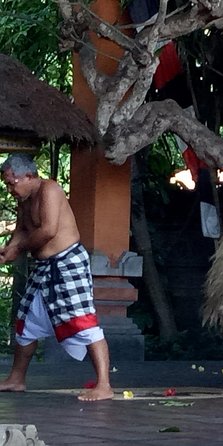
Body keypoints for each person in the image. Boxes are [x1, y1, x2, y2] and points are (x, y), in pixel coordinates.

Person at [0, 154, 113, 401]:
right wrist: (10, 248)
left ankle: (104, 385)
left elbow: (48, 230)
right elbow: (22, 230)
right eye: (7, 184)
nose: (10, 189)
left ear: (29, 175)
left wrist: (18, 250)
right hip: (43, 267)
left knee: (83, 321)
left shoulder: (50, 189)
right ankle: (17, 379)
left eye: (12, 182)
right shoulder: (24, 200)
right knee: (26, 320)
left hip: (68, 263)